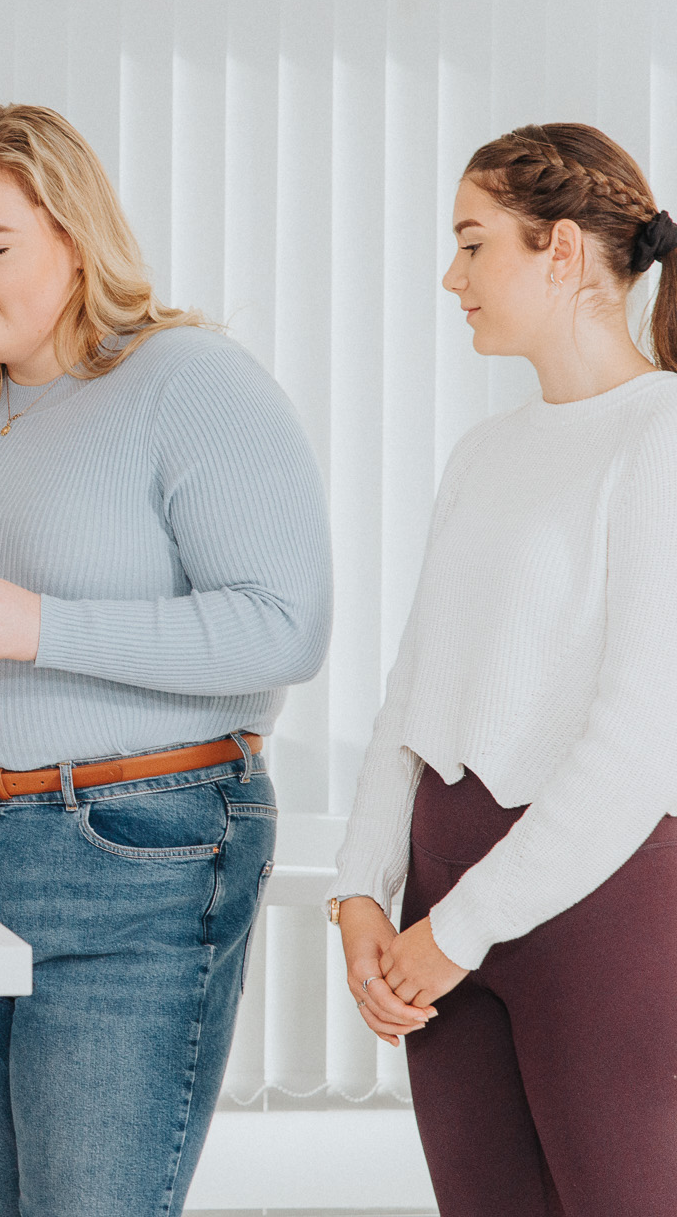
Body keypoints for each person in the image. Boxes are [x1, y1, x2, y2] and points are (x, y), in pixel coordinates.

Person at [0, 104, 332, 1217]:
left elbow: (281, 626)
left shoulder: (186, 381)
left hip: (127, 847)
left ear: (74, 237)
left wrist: (43, 625)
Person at [331, 123, 677, 1217]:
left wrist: (457, 928)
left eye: (472, 243)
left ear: (561, 251)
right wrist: (356, 891)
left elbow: (638, 737)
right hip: (439, 919)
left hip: (591, 911)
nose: (451, 274)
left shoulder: (659, 435)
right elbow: (410, 692)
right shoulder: (481, 453)